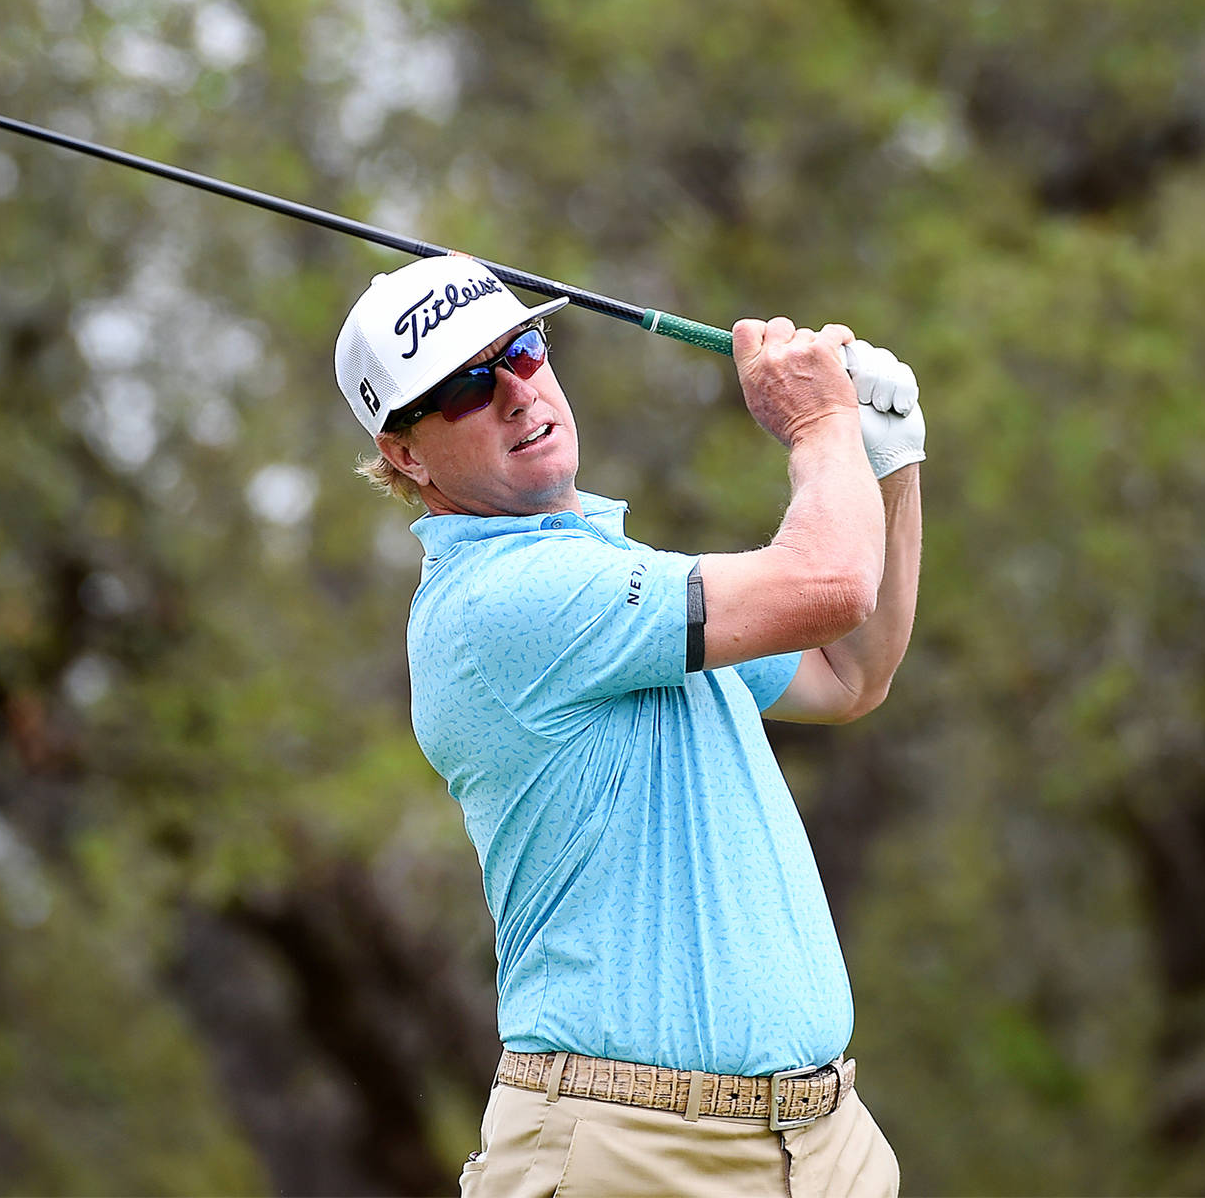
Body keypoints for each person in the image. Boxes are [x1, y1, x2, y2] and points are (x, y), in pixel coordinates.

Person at [334, 255, 924, 1198]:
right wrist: (821, 427)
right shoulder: (504, 601)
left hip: (822, 1145)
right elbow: (830, 586)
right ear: (404, 454)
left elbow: (847, 671)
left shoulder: (615, 570)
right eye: (467, 389)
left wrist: (888, 466)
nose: (519, 394)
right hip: (631, 1151)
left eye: (522, 351)